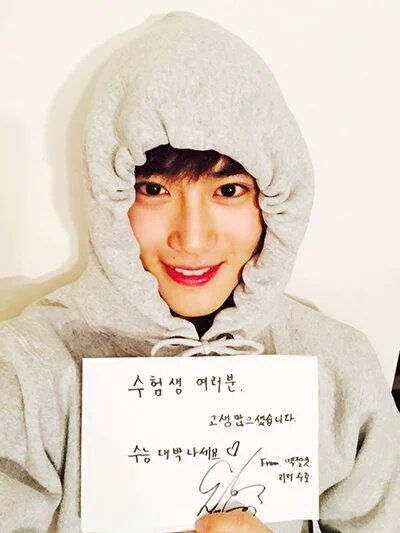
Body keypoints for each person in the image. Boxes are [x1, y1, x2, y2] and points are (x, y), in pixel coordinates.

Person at [0, 10, 399, 533]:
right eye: (154, 190)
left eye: (228, 190)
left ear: (276, 201)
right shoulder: (26, 371)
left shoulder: (340, 366)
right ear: (109, 195)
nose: (191, 239)